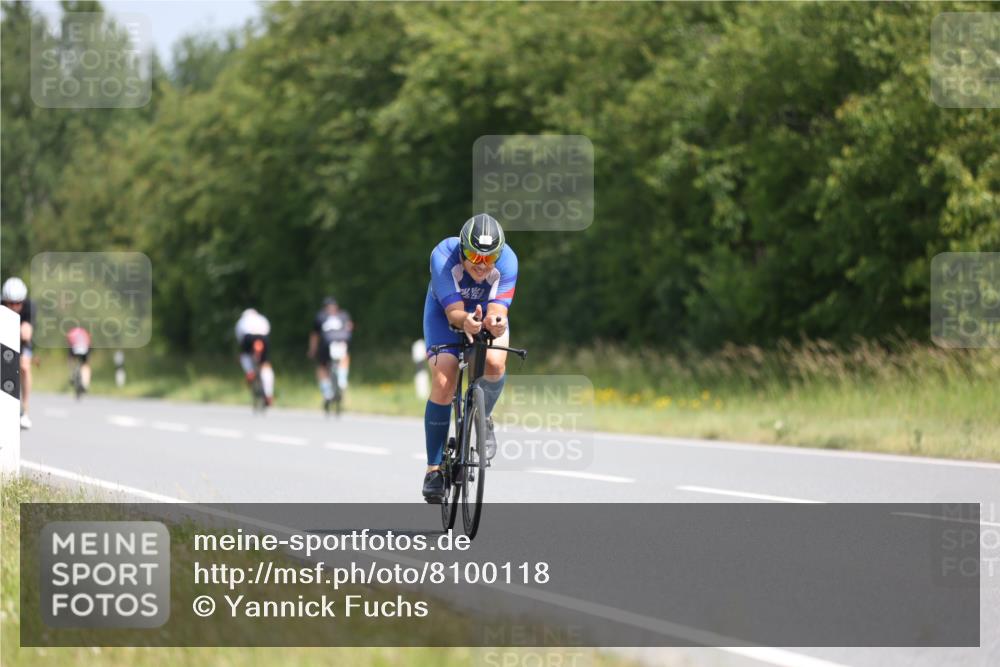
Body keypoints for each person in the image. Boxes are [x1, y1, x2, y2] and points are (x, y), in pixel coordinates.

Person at [420, 213, 517, 501]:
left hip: (485, 312)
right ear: (463, 249)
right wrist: (467, 323)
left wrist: (495, 322)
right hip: (447, 313)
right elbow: (454, 313)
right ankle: (433, 469)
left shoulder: (509, 260)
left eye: (489, 259)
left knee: (495, 361)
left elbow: (499, 311)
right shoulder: (443, 255)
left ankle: (483, 418)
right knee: (444, 377)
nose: (481, 265)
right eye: (474, 256)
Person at [307, 297, 354, 410]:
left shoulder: (321, 316)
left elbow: (315, 335)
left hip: (327, 342)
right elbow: (350, 327)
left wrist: (312, 350)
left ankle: (327, 392)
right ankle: (342, 380)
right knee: (345, 358)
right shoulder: (344, 315)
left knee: (322, 366)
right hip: (343, 341)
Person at [2, 277, 34, 429]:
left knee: (25, 366)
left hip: (22, 342)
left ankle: (25, 411)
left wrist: (23, 329)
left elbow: (28, 332)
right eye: (10, 303)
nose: (14, 306)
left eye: (18, 303)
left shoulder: (29, 306)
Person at [234, 308, 274, 406]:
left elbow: (240, 338)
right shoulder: (262, 319)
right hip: (263, 338)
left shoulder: (241, 321)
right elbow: (267, 330)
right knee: (265, 365)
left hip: (248, 338)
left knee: (245, 356)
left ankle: (250, 372)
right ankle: (268, 394)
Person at [66, 326, 92, 392]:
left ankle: (71, 374)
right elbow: (89, 342)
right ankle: (85, 384)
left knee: (70, 359)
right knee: (86, 365)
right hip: (84, 349)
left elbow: (69, 342)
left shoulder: (72, 331)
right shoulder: (84, 332)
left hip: (74, 349)